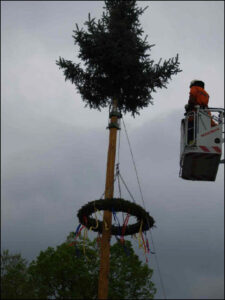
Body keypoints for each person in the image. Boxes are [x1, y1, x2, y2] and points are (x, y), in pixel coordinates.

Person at [185, 79, 216, 144]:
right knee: (202, 129)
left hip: (195, 113)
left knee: (191, 128)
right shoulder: (206, 93)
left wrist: (189, 108)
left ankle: (191, 142)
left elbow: (192, 98)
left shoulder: (194, 88)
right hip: (205, 112)